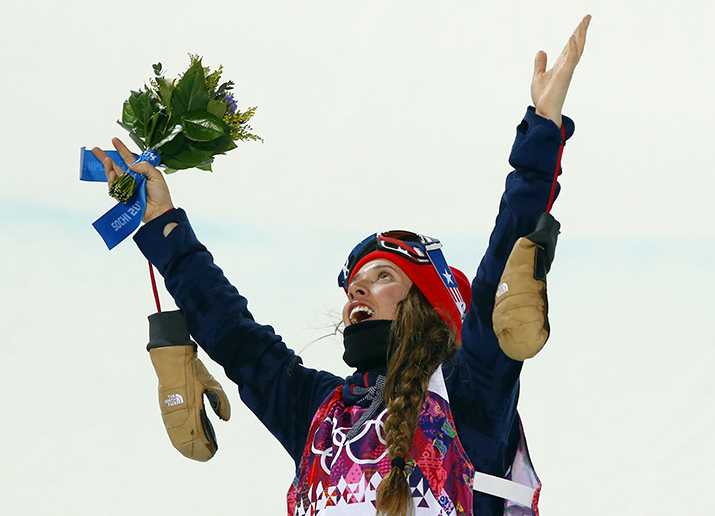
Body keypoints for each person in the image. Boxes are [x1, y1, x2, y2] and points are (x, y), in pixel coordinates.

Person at [94, 15, 590, 516]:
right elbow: (233, 333)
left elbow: (505, 264)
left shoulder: (469, 394)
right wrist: (159, 222)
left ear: (427, 304)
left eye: (382, 277)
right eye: (354, 285)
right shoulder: (320, 411)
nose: (358, 292)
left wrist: (542, 131)